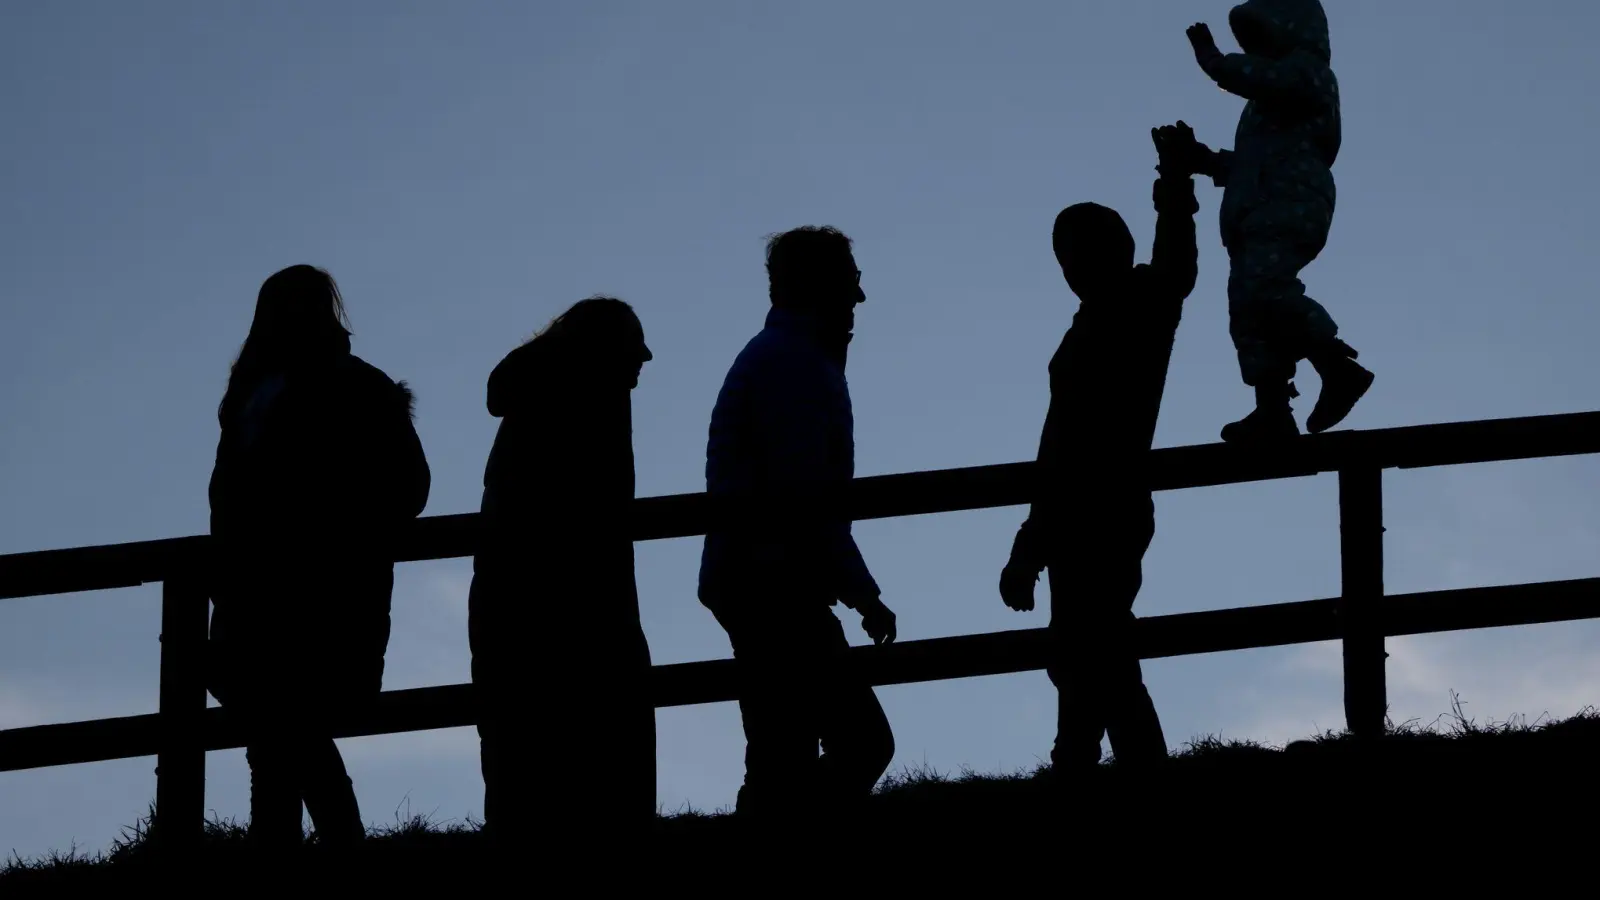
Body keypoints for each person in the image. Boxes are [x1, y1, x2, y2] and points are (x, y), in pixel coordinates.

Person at [998, 124, 1201, 773]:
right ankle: (1081, 763)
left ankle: (1105, 766)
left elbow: (1176, 268)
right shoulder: (1103, 322)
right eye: (1067, 256)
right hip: (1085, 514)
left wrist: (1174, 183)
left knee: (1095, 658)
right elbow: (1056, 444)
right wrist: (1032, 544)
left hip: (1099, 512)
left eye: (1079, 252)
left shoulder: (1140, 305)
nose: (1072, 267)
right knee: (1087, 657)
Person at [207, 264, 431, 849]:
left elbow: (407, 489)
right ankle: (326, 850)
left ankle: (312, 849)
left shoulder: (260, 393)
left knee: (280, 733)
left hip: (293, 597)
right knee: (283, 733)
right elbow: (410, 490)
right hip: (302, 595)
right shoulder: (335, 387)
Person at [698, 226, 898, 821]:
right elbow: (805, 495)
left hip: (759, 577)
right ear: (821, 285)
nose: (859, 298)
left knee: (778, 751)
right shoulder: (795, 367)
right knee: (858, 743)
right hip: (773, 581)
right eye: (850, 281)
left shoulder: (784, 358)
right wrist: (862, 592)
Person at [468, 297, 656, 847]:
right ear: (605, 353)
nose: (641, 369)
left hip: (513, 603)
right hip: (583, 605)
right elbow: (596, 517)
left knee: (519, 745)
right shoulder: (592, 402)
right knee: (594, 742)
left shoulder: (539, 397)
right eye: (633, 356)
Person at [1179, 0, 1374, 443]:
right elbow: (1251, 162)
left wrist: (1212, 59)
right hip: (1260, 204)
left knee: (1267, 292)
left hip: (1290, 201)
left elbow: (1256, 77)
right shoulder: (1266, 108)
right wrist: (1205, 161)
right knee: (1248, 307)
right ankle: (1272, 408)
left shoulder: (1307, 75)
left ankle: (1337, 367)